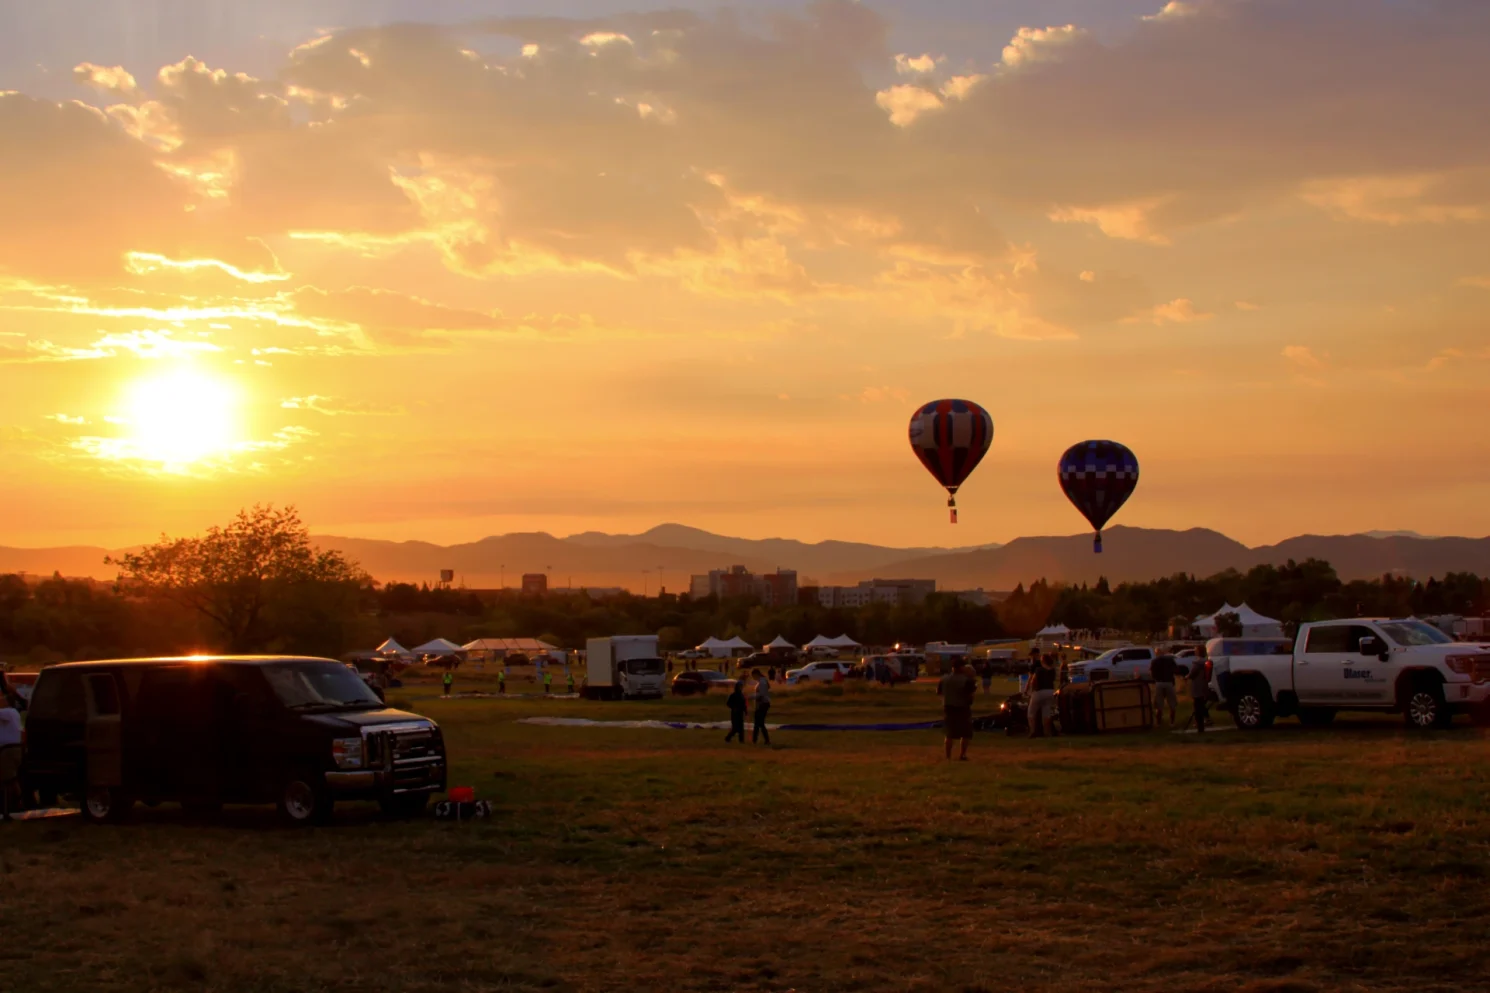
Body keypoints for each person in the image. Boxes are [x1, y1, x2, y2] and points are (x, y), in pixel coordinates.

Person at [938, 659, 978, 761]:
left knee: (949, 733)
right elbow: (971, 696)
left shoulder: (944, 679)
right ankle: (962, 754)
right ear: (961, 667)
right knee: (965, 733)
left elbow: (939, 692)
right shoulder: (966, 680)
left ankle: (948, 756)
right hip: (962, 707)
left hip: (948, 707)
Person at [1, 691, 23, 821]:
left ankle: (7, 809)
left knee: (6, 780)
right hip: (13, 749)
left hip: (8, 750)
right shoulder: (13, 714)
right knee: (12, 779)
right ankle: (17, 803)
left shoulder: (9, 712)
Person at [1027, 654, 1057, 739]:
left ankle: (1033, 731)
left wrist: (1031, 691)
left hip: (1039, 692)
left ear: (1043, 660)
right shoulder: (1053, 670)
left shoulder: (1039, 670)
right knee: (1046, 713)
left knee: (1031, 712)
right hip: (1050, 691)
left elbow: (1033, 681)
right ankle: (1047, 732)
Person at [1149, 652, 1179, 727]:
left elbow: (1152, 673)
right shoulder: (1170, 660)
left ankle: (1158, 723)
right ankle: (1172, 723)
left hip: (1159, 683)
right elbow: (1176, 670)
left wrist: (1155, 679)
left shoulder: (1154, 661)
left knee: (1159, 705)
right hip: (1169, 682)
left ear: (1156, 654)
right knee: (1172, 704)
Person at [1189, 652, 1211, 734]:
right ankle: (1205, 720)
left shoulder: (1197, 663)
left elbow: (1192, 674)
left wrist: (1187, 677)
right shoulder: (1207, 662)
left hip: (1197, 687)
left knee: (1197, 707)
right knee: (1202, 705)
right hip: (1204, 686)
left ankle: (1200, 726)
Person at [751, 669, 772, 745]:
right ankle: (755, 740)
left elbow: (761, 695)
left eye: (753, 676)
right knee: (758, 723)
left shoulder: (762, 682)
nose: (753, 678)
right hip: (761, 704)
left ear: (756, 674)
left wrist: (750, 696)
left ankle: (765, 740)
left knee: (759, 723)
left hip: (763, 704)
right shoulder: (761, 681)